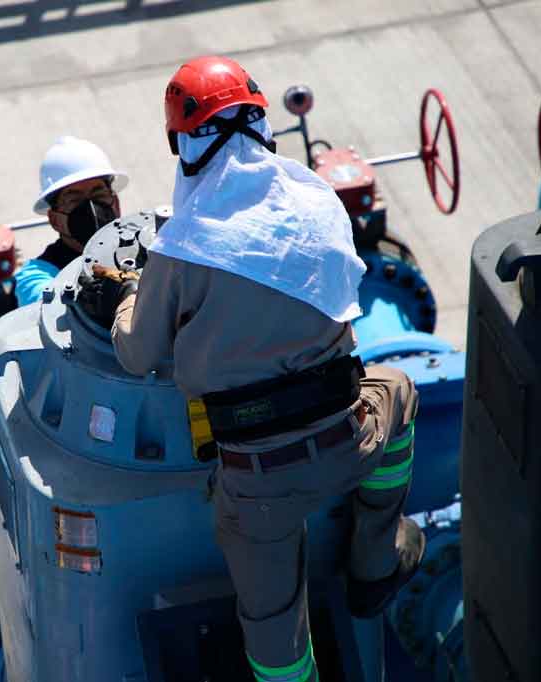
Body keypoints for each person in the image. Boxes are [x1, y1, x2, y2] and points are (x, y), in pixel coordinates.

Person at [102, 56, 425, 681]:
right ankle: (375, 562)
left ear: (182, 145)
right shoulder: (317, 202)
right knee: (400, 391)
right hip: (348, 437)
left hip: (258, 483)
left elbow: (138, 353)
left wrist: (123, 296)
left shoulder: (183, 246)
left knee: (274, 627)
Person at [14, 136, 129, 307]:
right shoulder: (37, 274)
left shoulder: (144, 247)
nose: (91, 207)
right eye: (74, 200)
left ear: (116, 204)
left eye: (98, 194)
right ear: (54, 220)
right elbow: (48, 304)